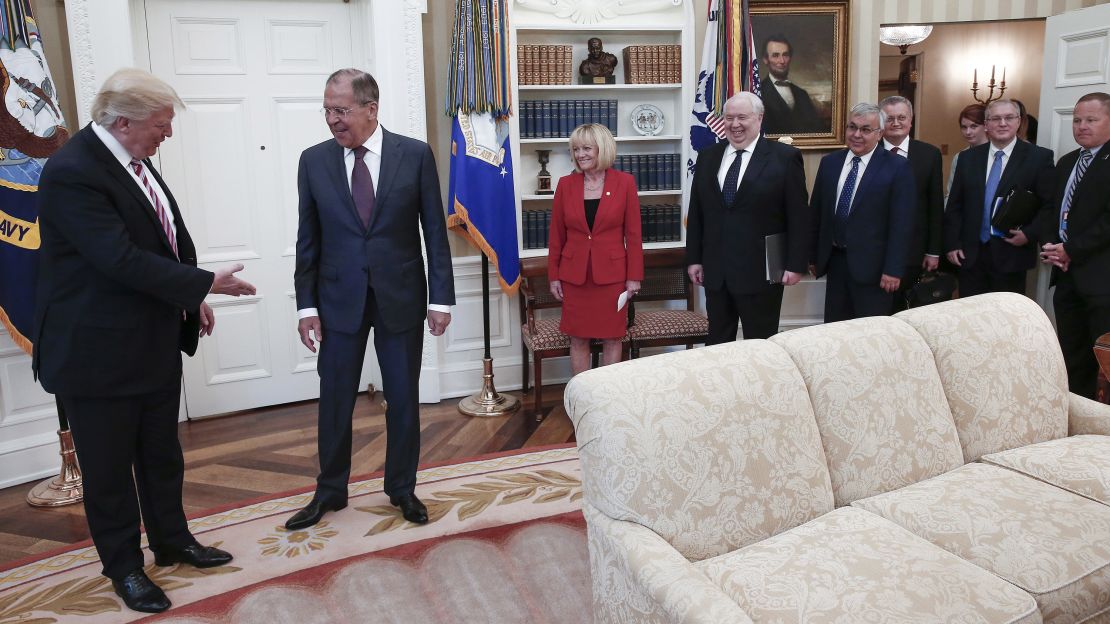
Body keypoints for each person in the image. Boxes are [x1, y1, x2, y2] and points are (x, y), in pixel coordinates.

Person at [32, 68, 255, 614]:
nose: (169, 134)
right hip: (96, 353)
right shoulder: (72, 172)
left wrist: (188, 297)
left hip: (149, 340)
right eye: (162, 124)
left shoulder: (134, 161)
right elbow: (117, 259)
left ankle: (173, 542)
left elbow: (163, 238)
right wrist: (205, 283)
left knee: (161, 455)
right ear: (124, 121)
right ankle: (125, 568)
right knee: (108, 470)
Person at [287, 68, 455, 531]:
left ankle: (402, 488)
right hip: (337, 300)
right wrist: (306, 306)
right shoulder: (313, 161)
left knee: (403, 397)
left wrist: (441, 298)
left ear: (371, 109)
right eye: (327, 110)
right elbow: (309, 240)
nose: (332, 120)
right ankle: (330, 491)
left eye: (341, 110)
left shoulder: (415, 156)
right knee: (335, 399)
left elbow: (434, 235)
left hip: (401, 296)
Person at [686, 92, 809, 342]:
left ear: (759, 118)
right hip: (716, 272)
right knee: (718, 344)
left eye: (742, 117)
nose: (734, 124)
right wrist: (694, 259)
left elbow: (798, 216)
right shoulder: (708, 156)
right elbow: (698, 212)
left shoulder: (784, 158)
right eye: (729, 118)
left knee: (761, 345)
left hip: (762, 273)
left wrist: (796, 264)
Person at [548, 123, 643, 374]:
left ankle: (607, 399)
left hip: (612, 278)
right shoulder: (566, 185)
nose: (581, 155)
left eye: (587, 148)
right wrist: (554, 276)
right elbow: (556, 235)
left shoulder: (625, 183)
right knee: (578, 338)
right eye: (576, 149)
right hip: (574, 278)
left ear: (603, 149)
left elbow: (633, 236)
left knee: (612, 337)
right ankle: (582, 398)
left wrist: (634, 277)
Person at [810, 102, 915, 322]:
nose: (857, 134)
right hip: (836, 263)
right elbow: (817, 213)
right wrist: (813, 257)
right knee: (836, 330)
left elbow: (902, 224)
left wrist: (893, 269)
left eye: (865, 129)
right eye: (852, 127)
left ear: (880, 134)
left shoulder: (897, 167)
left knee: (871, 335)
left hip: (876, 271)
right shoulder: (830, 163)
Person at [1037, 92, 1110, 400]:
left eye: (1091, 120)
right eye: (1077, 120)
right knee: (1072, 352)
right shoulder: (1068, 161)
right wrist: (1053, 246)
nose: (1081, 126)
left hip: (1101, 279)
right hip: (1066, 275)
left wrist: (1072, 249)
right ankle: (1077, 411)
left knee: (1104, 358)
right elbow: (1055, 209)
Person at [943, 99, 1054, 297]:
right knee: (971, 316)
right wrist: (953, 243)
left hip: (1011, 254)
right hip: (970, 255)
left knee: (1004, 319)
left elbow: (1049, 205)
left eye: (1009, 117)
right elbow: (955, 205)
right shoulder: (968, 158)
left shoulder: (1038, 158)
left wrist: (1029, 234)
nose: (1002, 123)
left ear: (1019, 121)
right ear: (986, 124)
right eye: (995, 118)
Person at [880, 95, 944, 312]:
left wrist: (934, 251)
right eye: (889, 118)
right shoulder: (869, 150)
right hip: (874, 249)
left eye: (901, 117)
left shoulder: (929, 154)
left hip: (914, 250)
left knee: (905, 311)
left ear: (911, 119)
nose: (896, 123)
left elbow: (935, 205)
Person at [759, 34, 825, 135]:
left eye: (785, 55)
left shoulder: (802, 94)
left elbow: (817, 130)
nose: (782, 61)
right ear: (765, 60)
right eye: (776, 55)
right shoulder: (757, 93)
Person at [946, 104, 988, 200]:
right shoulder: (960, 157)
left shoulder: (998, 155)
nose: (968, 132)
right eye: (964, 127)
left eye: (974, 126)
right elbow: (951, 194)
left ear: (986, 126)